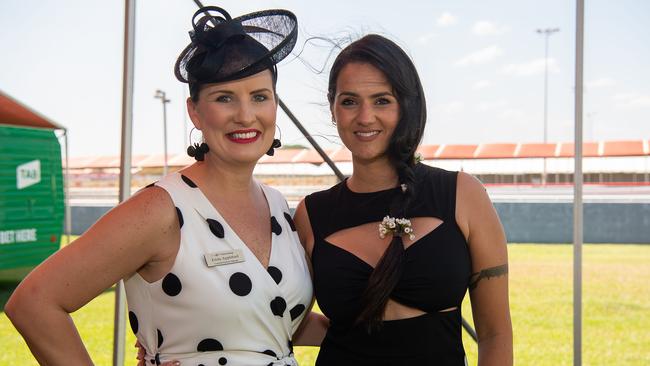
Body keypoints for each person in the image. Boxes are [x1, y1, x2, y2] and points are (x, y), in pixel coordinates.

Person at [5, 6, 325, 366]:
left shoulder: (279, 205)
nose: (246, 115)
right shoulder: (161, 209)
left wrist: (383, 330)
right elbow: (34, 302)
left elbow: (269, 320)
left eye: (260, 96)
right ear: (195, 111)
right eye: (224, 98)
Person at [293, 34, 513, 365]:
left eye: (382, 100)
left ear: (407, 106)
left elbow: (495, 333)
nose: (365, 117)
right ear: (333, 109)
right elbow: (281, 317)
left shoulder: (462, 195)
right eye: (349, 101)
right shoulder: (311, 213)